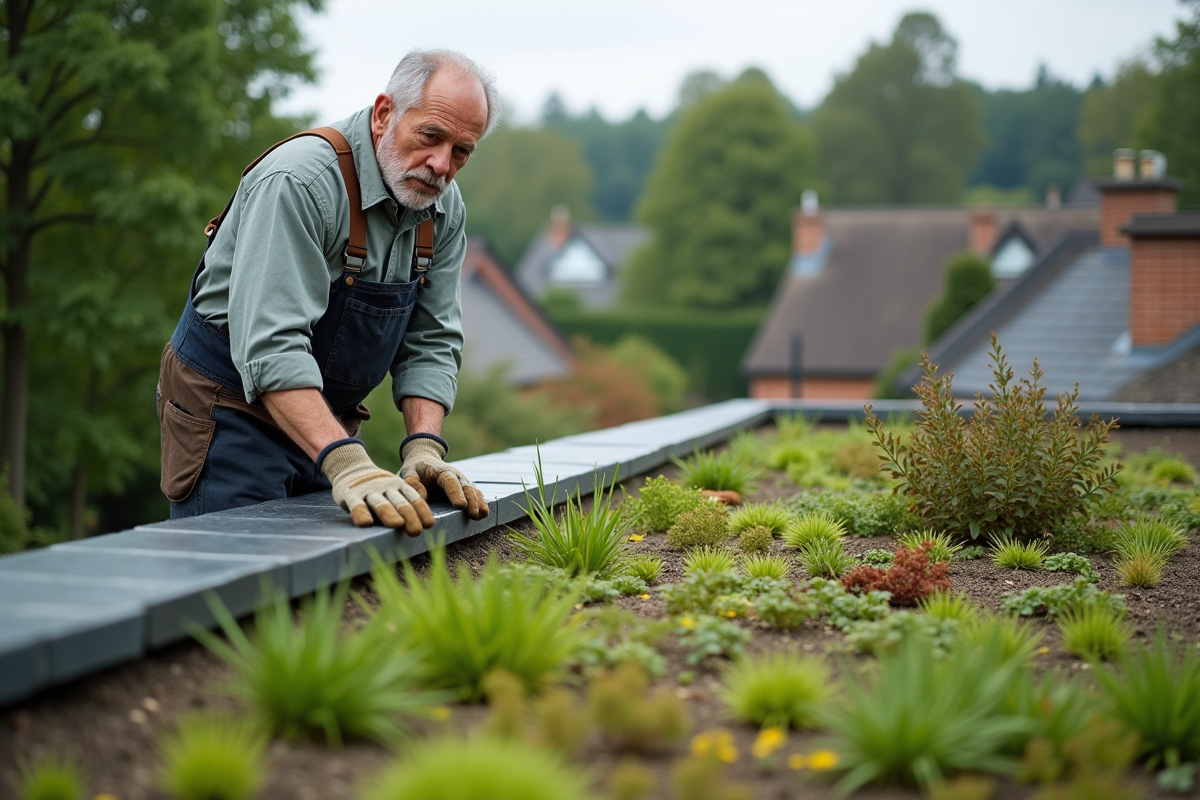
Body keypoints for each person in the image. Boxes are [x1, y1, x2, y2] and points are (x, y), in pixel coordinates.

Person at [156, 49, 497, 533]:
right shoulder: (300, 182)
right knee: (232, 589)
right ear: (384, 114)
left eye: (461, 151)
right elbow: (272, 347)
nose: (441, 165)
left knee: (316, 590)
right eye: (431, 136)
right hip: (230, 414)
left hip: (325, 423)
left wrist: (423, 447)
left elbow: (432, 340)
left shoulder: (441, 206)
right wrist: (348, 465)